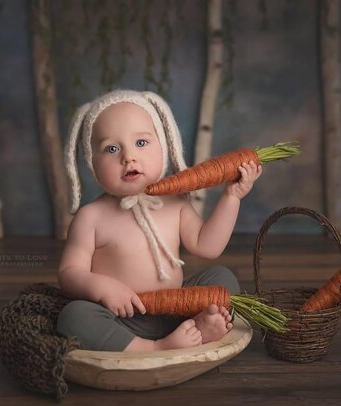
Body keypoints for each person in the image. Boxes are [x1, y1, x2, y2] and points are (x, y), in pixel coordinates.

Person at [56, 90, 262, 352]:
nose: (128, 157)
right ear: (92, 162)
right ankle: (151, 348)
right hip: (122, 319)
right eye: (111, 148)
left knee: (222, 279)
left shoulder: (175, 203)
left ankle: (198, 326)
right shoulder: (91, 217)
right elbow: (69, 272)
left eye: (141, 143)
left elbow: (208, 247)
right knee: (74, 316)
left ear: (163, 147)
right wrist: (101, 287)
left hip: (178, 307)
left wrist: (232, 197)